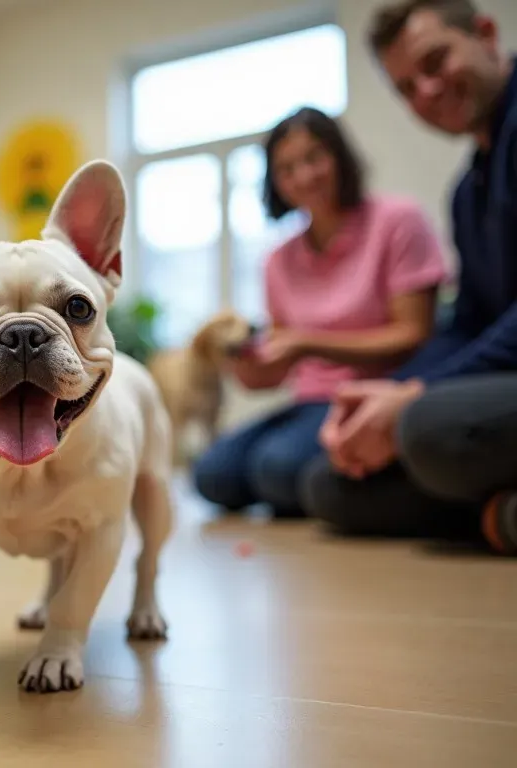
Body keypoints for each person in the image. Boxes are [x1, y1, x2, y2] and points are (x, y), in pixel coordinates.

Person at [302, 0, 517, 554]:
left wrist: (416, 394)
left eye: (436, 61)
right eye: (405, 87)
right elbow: (468, 320)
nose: (425, 91)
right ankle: (502, 514)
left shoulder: (398, 218)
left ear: (487, 35)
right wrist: (388, 396)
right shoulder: (468, 192)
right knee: (328, 487)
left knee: (426, 429)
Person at [192, 106, 448, 519]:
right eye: (287, 168)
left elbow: (414, 332)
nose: (304, 176)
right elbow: (280, 368)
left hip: (376, 392)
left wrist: (306, 343)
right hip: (308, 401)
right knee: (211, 474)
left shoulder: (397, 220)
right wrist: (247, 364)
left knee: (275, 468)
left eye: (314, 157)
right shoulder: (278, 260)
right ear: (275, 181)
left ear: (339, 156)